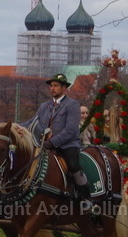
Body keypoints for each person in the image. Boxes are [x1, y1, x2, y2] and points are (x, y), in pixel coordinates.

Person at [33, 74, 90, 202]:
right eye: (51, 86)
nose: (52, 88)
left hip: (68, 145)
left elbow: (70, 131)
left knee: (74, 166)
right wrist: (15, 127)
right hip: (45, 144)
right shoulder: (44, 106)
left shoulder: (73, 105)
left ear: (64, 88)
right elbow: (33, 122)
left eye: (56, 86)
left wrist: (51, 142)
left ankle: (86, 199)